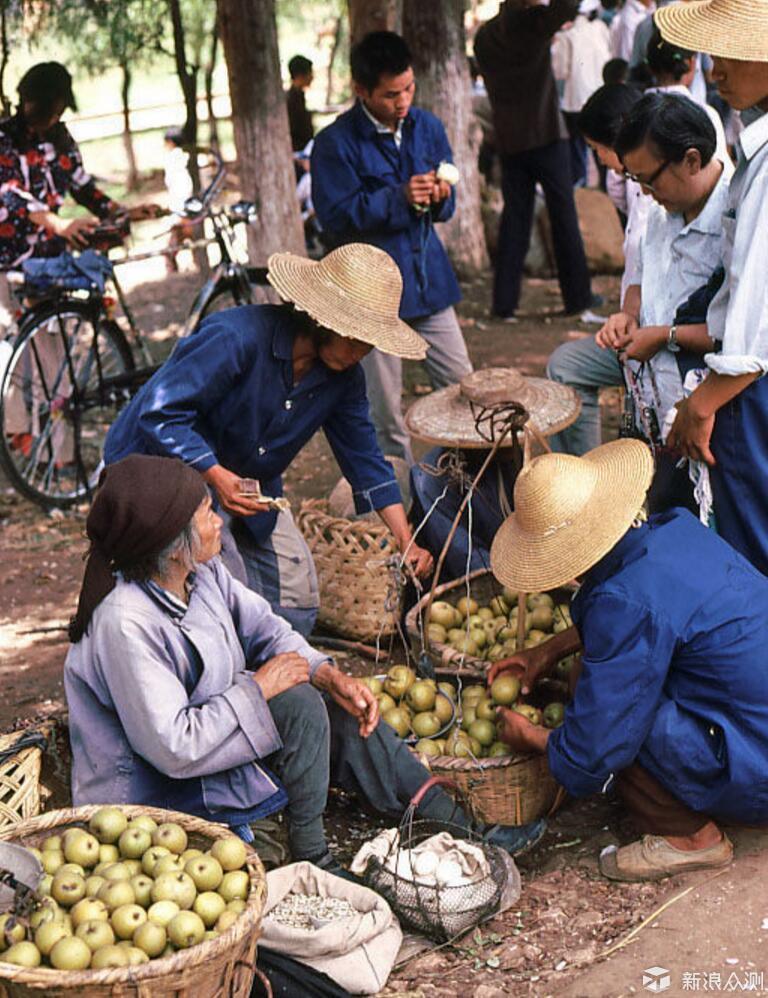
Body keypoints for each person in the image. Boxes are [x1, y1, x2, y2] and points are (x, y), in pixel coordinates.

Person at [64, 454, 546, 866]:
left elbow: (265, 627)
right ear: (172, 544)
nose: (218, 522)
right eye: (208, 514)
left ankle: (457, 823)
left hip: (212, 743)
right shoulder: (126, 623)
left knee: (334, 702)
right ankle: (312, 854)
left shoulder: (200, 575)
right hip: (159, 798)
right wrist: (257, 689)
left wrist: (325, 671)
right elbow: (173, 747)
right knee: (293, 702)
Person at [103, 243, 434, 637]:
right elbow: (159, 415)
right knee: (224, 602)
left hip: (246, 481)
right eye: (354, 338)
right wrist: (215, 476)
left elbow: (365, 458)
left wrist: (404, 539)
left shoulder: (344, 380)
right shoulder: (234, 338)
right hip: (164, 472)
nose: (359, 353)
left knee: (298, 607)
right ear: (321, 318)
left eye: (368, 344)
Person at [487, 439, 768, 881]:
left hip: (759, 762)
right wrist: (549, 649)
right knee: (600, 678)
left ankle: (692, 839)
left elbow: (594, 747)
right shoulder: (675, 529)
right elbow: (653, 608)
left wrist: (534, 737)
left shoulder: (625, 603)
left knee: (611, 718)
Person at [547, 93, 732, 500]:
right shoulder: (664, 210)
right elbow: (644, 276)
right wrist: (628, 317)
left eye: (650, 180)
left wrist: (665, 336)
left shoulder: (737, 218)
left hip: (710, 410)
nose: (645, 194)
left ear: (691, 160)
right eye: (636, 181)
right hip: (657, 394)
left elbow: (744, 336)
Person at [311, 31, 472, 464]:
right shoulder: (334, 143)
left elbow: (447, 209)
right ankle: (395, 512)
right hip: (370, 300)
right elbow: (335, 217)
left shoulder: (428, 127)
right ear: (360, 90)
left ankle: (466, 488)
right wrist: (399, 196)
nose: (402, 102)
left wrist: (440, 195)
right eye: (389, 95)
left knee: (466, 393)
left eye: (409, 89)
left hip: (428, 283)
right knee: (385, 417)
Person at [657, 0, 768, 577]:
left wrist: (702, 405)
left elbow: (756, 310)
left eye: (730, 53)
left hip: (750, 382)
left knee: (751, 550)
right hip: (741, 377)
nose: (714, 68)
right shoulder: (754, 149)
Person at [0, 61, 158, 338]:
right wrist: (58, 224)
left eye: (59, 111)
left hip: (50, 265)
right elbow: (10, 193)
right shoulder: (5, 140)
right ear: (28, 101)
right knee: (17, 351)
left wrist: (125, 212)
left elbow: (83, 188)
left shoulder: (60, 140)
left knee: (56, 356)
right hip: (10, 264)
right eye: (49, 109)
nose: (54, 118)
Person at [474, 0, 597, 323]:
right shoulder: (533, 23)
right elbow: (569, 5)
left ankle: (504, 304)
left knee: (514, 220)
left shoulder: (485, 36)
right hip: (545, 134)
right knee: (563, 215)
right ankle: (578, 298)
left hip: (509, 138)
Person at [405, 368, 580, 580]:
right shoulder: (432, 481)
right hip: (477, 583)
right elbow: (465, 559)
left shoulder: (516, 456)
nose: (513, 442)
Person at [644, 25, 729, 164]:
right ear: (691, 63)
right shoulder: (705, 114)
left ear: (649, 65)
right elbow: (721, 170)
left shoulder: (635, 110)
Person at [551, 0, 612, 185]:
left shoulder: (566, 36)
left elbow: (560, 71)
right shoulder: (601, 28)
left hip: (576, 102)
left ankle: (582, 184)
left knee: (578, 148)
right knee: (602, 146)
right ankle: (604, 186)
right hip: (601, 97)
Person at [162, 126, 194, 275]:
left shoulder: (173, 158)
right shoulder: (182, 156)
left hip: (180, 200)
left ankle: (171, 261)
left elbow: (177, 183)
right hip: (182, 199)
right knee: (182, 232)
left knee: (180, 233)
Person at [286, 54, 314, 154]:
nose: (312, 77)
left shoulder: (298, 96)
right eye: (310, 73)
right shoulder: (292, 99)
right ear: (300, 76)